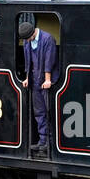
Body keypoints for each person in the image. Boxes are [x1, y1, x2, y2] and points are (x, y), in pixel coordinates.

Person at [19, 19, 59, 152]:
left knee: (49, 112)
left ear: (33, 33)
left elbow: (50, 61)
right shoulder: (27, 40)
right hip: (34, 79)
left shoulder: (48, 39)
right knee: (39, 112)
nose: (27, 41)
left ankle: (52, 142)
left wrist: (47, 80)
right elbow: (27, 61)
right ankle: (43, 141)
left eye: (28, 38)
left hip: (46, 81)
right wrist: (26, 78)